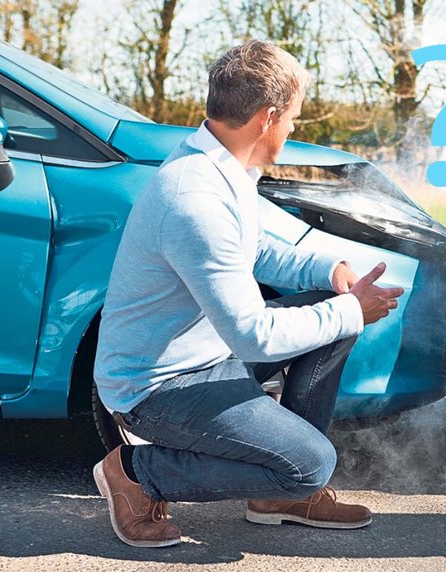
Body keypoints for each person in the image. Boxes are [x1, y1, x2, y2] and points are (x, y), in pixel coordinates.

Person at [91, 40, 404, 548]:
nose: (294, 129)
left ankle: (280, 493)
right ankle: (135, 472)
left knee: (328, 321)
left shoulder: (218, 167)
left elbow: (255, 249)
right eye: (294, 119)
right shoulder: (194, 198)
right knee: (312, 463)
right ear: (268, 117)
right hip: (157, 387)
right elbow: (254, 336)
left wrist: (331, 271)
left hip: (208, 356)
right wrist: (349, 310)